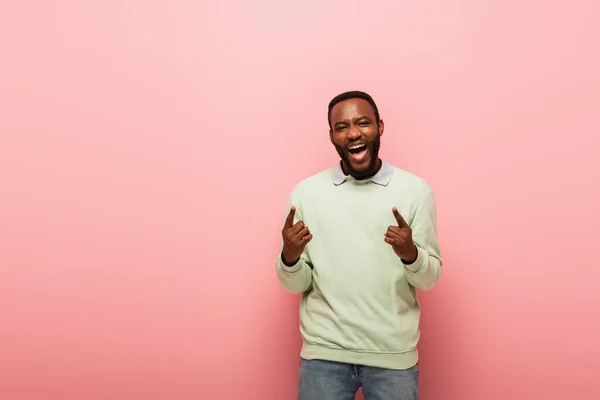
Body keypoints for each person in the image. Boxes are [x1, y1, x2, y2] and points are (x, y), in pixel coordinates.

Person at [275, 90, 443, 400]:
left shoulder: (415, 191)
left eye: (363, 123)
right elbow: (297, 285)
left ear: (379, 126)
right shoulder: (307, 194)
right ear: (332, 136)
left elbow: (429, 278)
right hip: (324, 357)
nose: (354, 133)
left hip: (393, 357)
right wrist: (290, 257)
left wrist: (411, 255)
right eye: (342, 127)